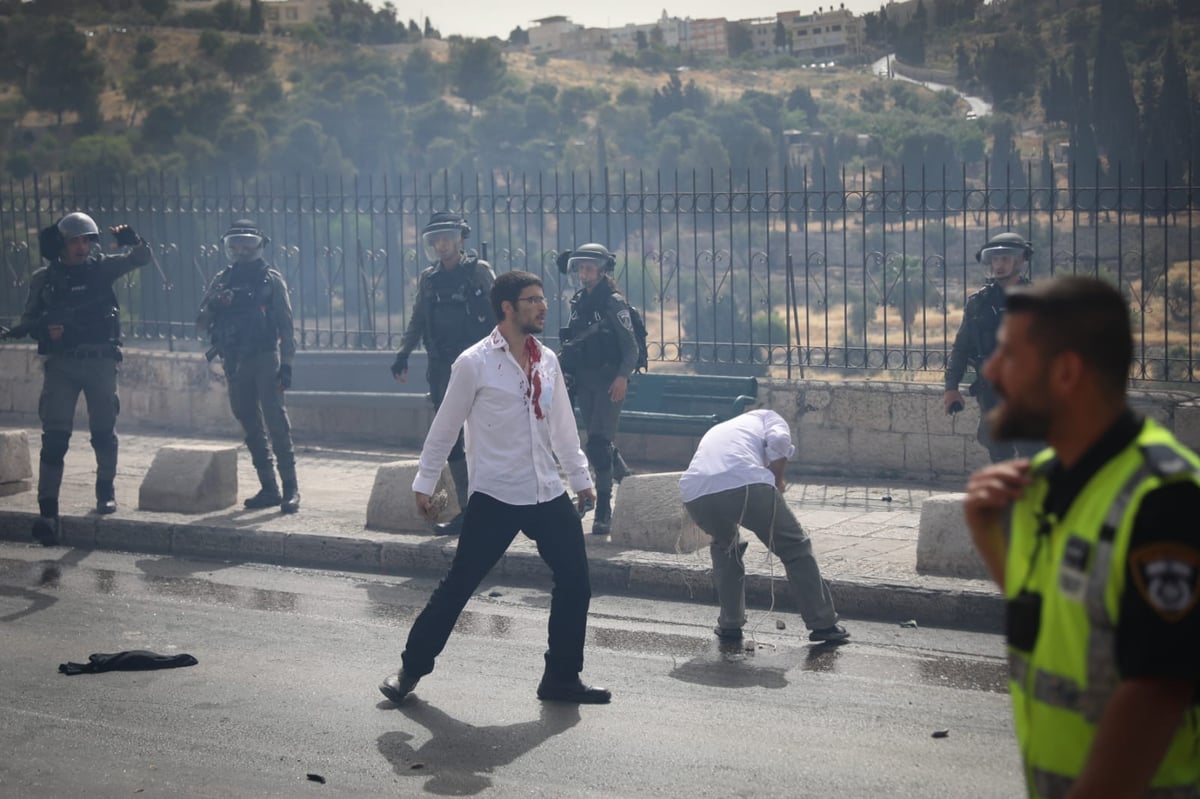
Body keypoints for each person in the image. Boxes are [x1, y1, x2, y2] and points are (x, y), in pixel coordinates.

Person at [964, 276, 1199, 798]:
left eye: (1008, 355)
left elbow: (1159, 687)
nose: (990, 370)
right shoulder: (1041, 480)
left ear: (1067, 372)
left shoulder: (1165, 497)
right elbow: (1059, 617)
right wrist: (987, 536)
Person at [379, 270, 611, 706]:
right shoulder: (474, 363)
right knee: (459, 585)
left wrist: (580, 479)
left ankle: (561, 678)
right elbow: (445, 427)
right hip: (496, 495)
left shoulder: (547, 360)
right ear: (507, 307)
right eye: (531, 300)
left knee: (576, 583)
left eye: (543, 298)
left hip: (546, 490)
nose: (543, 306)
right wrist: (425, 482)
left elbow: (563, 428)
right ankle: (409, 671)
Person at [1, 212, 150, 545]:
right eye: (75, 241)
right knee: (55, 439)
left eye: (87, 240)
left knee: (103, 433)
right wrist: (43, 328)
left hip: (99, 362)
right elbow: (29, 320)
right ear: (62, 245)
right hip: (62, 364)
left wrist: (135, 241)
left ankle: (105, 491)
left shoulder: (102, 268)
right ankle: (48, 512)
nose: (81, 247)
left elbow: (141, 259)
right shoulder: (45, 278)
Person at [679, 409, 850, 646]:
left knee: (727, 548)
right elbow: (779, 441)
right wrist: (778, 479)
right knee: (794, 546)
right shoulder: (769, 416)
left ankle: (730, 622)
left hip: (694, 493)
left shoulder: (722, 428)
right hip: (746, 484)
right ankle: (823, 623)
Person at [391, 211, 495, 535]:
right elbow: (418, 319)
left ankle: (495, 511)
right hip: (441, 366)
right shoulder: (429, 278)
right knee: (451, 441)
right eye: (435, 239)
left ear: (460, 238)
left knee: (485, 437)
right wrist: (404, 353)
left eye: (446, 237)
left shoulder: (479, 272)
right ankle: (469, 512)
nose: (441, 244)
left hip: (476, 365)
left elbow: (500, 317)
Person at [196, 220, 300, 514]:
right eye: (235, 245)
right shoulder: (221, 279)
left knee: (276, 422)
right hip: (235, 360)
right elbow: (200, 323)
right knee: (248, 422)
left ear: (258, 245)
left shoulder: (271, 280)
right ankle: (269, 487)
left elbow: (287, 326)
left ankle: (291, 488)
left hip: (266, 357)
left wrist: (287, 364)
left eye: (247, 244)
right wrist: (214, 304)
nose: (241, 250)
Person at [556, 243, 638, 535]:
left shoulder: (613, 302)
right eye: (580, 267)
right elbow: (574, 344)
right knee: (596, 442)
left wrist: (622, 377)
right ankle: (629, 482)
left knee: (599, 445)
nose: (584, 272)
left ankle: (604, 508)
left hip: (608, 382)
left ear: (602, 270)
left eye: (590, 267)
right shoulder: (579, 302)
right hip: (585, 380)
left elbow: (631, 347)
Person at [945, 231, 1041, 462]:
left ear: (1019, 261)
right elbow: (962, 345)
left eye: (1005, 259)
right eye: (995, 260)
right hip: (991, 390)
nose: (999, 265)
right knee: (998, 449)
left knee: (1032, 449)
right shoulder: (979, 302)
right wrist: (951, 387)